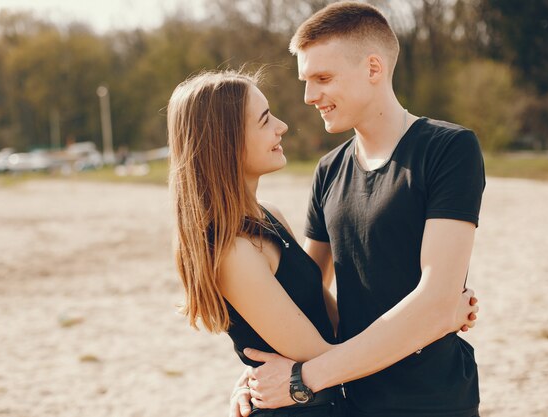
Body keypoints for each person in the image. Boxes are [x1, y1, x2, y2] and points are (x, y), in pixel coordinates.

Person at [167, 69, 479, 417]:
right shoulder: (233, 252)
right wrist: (435, 322)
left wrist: (430, 317)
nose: (282, 126)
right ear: (225, 142)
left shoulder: (269, 216)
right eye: (265, 120)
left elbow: (331, 322)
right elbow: (321, 355)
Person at [233, 3, 486, 417]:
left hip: (432, 399)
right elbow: (306, 297)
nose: (309, 96)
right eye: (306, 80)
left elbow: (437, 300)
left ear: (373, 68)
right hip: (346, 401)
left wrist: (303, 378)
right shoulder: (329, 170)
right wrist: (252, 381)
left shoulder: (448, 149)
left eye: (323, 78)